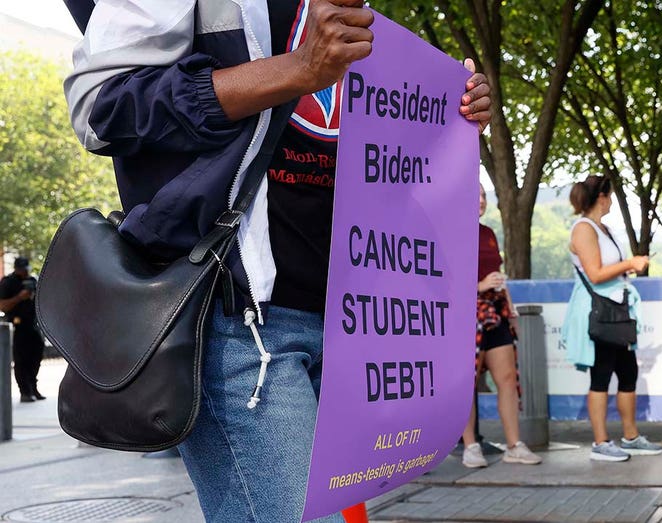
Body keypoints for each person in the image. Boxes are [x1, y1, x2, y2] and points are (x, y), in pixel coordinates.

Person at [64, 2, 491, 522]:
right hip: (243, 321)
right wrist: (297, 69)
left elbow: (357, 156)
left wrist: (445, 117)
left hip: (348, 323)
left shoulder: (360, 14)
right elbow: (102, 108)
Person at [561, 175, 662, 463]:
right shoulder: (583, 228)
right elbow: (594, 273)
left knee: (628, 371)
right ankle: (601, 441)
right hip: (598, 311)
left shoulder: (604, 229)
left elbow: (608, 270)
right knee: (602, 374)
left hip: (617, 309)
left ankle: (630, 437)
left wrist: (627, 268)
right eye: (610, 196)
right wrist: (630, 263)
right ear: (602, 197)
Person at [461, 185, 543, 468]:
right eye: (476, 194)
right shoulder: (449, 231)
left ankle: (514, 445)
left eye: (484, 195)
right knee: (466, 384)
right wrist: (479, 286)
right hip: (464, 316)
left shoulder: (489, 234)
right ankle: (470, 446)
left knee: (507, 378)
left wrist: (511, 313)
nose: (481, 200)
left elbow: (499, 276)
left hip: (496, 314)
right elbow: (441, 281)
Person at [0, 257, 45, 403]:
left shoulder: (33, 280)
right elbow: (3, 306)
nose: (24, 272)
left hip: (33, 325)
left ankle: (33, 387)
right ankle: (25, 391)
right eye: (22, 269)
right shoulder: (8, 282)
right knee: (21, 360)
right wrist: (20, 297)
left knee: (36, 357)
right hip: (17, 325)